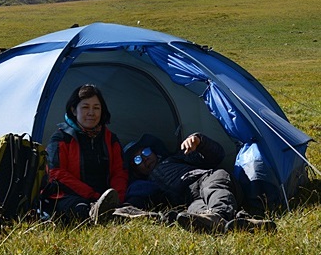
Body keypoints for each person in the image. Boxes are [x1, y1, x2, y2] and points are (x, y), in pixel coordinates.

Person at [121, 132, 276, 233]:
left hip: (207, 179)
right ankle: (245, 224)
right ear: (136, 170)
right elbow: (137, 199)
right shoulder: (146, 185)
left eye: (146, 152)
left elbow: (217, 156)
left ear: (154, 151)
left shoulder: (176, 158)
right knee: (195, 214)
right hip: (190, 200)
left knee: (214, 185)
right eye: (137, 159)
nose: (145, 158)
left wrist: (199, 141)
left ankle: (219, 216)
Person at [42, 84, 128, 224]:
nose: (91, 113)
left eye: (96, 108)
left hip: (105, 196)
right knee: (80, 211)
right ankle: (107, 214)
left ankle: (114, 212)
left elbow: (120, 171)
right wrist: (93, 196)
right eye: (85, 107)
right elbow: (56, 173)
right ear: (74, 110)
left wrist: (116, 199)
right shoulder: (61, 138)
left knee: (139, 195)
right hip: (70, 196)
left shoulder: (110, 139)